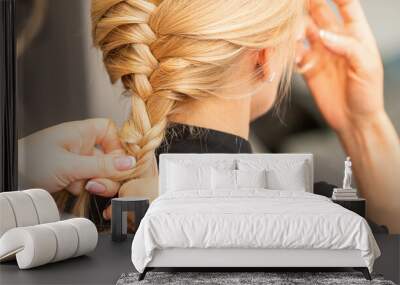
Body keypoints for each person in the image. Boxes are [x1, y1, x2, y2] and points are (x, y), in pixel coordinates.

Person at [19, 0, 399, 233]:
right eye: (296, 41)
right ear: (264, 59)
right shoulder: (317, 219)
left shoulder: (55, 205)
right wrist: (364, 124)